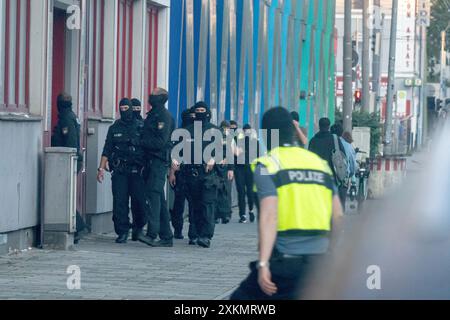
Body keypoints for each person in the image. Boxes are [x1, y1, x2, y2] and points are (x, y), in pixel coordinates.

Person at [231, 107, 344, 300]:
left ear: (267, 134)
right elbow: (338, 217)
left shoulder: (267, 165)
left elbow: (269, 215)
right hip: (320, 263)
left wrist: (263, 264)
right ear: (292, 130)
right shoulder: (319, 164)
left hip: (285, 264)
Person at [96, 98, 149, 244]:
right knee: (120, 202)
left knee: (139, 202)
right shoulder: (114, 127)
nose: (124, 110)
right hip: (120, 171)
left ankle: (138, 227)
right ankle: (122, 231)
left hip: (137, 171)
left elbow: (148, 149)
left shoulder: (141, 126)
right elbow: (107, 149)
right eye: (122, 107)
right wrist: (101, 168)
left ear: (131, 108)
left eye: (127, 107)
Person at [181, 101, 221, 248]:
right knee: (194, 205)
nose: (200, 112)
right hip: (192, 173)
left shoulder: (215, 130)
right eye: (197, 110)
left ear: (208, 112)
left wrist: (213, 159)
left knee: (207, 205)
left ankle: (206, 236)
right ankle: (194, 233)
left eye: (202, 110)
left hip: (209, 174)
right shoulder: (188, 131)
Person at [140, 88, 175, 247]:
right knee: (158, 198)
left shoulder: (164, 116)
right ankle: (167, 236)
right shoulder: (153, 114)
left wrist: (140, 142)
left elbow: (160, 142)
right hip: (150, 161)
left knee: (153, 197)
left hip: (158, 161)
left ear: (160, 98)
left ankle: (152, 234)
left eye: (153, 94)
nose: (150, 96)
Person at [51, 92, 88, 244]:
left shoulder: (66, 117)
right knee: (66, 195)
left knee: (64, 195)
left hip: (66, 160)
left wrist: (68, 160)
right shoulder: (72, 115)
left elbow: (70, 142)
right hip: (71, 160)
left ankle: (78, 226)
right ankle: (77, 226)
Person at [169, 107, 196, 239]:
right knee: (179, 204)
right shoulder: (178, 134)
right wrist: (172, 172)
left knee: (192, 204)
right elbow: (174, 154)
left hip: (193, 173)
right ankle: (178, 229)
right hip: (181, 173)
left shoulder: (198, 133)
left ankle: (192, 231)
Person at [308, 118, 347, 182]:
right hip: (332, 177)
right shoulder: (335, 139)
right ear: (329, 126)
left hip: (317, 177)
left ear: (319, 126)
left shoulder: (313, 141)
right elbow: (343, 155)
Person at [234, 124, 258, 223]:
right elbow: (234, 154)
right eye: (245, 131)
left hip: (250, 169)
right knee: (241, 192)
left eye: (249, 131)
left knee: (250, 192)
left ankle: (251, 210)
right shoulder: (238, 141)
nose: (247, 132)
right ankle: (242, 214)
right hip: (239, 169)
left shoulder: (255, 142)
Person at [330, 124, 356, 208]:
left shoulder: (326, 143)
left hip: (329, 178)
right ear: (342, 133)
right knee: (341, 206)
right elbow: (352, 165)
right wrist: (350, 176)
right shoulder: (348, 146)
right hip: (342, 179)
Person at [215, 121, 235, 224]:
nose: (225, 130)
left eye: (226, 128)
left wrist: (231, 168)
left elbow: (232, 153)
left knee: (226, 191)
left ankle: (226, 214)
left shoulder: (230, 138)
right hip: (219, 167)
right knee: (219, 191)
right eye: (224, 128)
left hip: (226, 168)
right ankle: (219, 214)